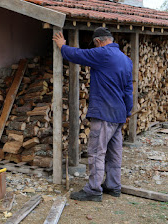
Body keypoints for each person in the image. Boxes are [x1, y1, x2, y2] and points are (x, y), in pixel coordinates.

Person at [53, 27, 133, 202]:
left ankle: (94, 190)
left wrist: (62, 46)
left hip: (104, 112)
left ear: (98, 41)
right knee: (114, 153)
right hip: (119, 113)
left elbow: (78, 55)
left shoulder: (102, 53)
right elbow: (128, 89)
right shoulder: (126, 60)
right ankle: (113, 186)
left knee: (97, 151)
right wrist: (128, 110)